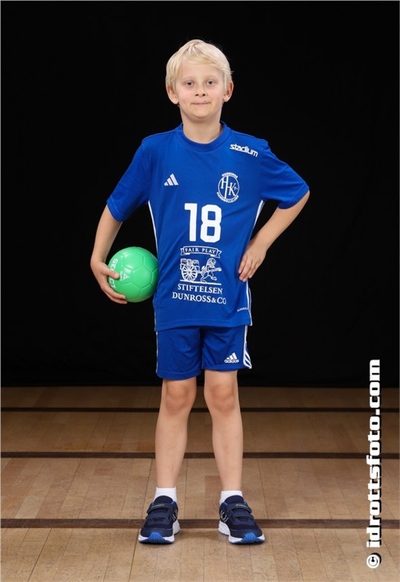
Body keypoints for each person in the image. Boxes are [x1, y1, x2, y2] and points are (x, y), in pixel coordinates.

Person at [90, 38, 310, 545]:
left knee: (223, 393)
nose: (200, 91)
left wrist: (261, 243)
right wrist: (96, 258)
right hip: (175, 298)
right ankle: (164, 500)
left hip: (228, 298)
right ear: (173, 92)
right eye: (189, 83)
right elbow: (117, 205)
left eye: (211, 82)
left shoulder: (250, 152)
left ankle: (232, 501)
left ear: (228, 90)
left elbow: (298, 193)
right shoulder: (155, 150)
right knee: (176, 394)